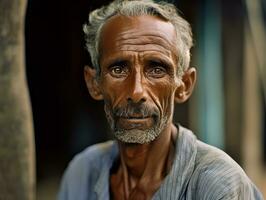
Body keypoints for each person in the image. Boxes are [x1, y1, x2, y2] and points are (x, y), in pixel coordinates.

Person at [58, 0, 263, 199]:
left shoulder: (218, 186)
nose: (137, 91)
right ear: (94, 83)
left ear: (184, 85)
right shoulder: (82, 173)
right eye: (118, 69)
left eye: (157, 70)